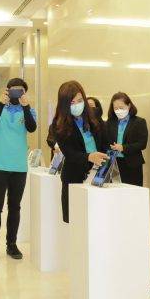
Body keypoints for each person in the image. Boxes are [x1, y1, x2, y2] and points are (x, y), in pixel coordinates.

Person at [0, 77, 37, 261]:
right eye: (13, 90)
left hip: (18, 167)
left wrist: (26, 107)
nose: (16, 93)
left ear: (24, 93)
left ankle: (12, 245)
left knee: (15, 207)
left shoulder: (29, 110)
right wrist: (1, 103)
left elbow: (32, 128)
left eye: (20, 90)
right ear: (7, 91)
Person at [52, 81, 108, 223]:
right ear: (64, 104)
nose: (77, 104)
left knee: (98, 220)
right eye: (72, 102)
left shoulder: (94, 117)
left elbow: (105, 141)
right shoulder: (58, 124)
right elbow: (69, 153)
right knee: (76, 221)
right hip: (74, 177)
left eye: (80, 100)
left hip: (98, 174)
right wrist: (89, 156)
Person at [105, 92, 148, 186]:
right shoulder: (109, 123)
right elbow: (105, 141)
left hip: (132, 164)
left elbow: (142, 144)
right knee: (115, 192)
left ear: (129, 105)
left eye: (121, 107)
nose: (118, 110)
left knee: (132, 192)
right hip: (114, 163)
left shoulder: (139, 122)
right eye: (116, 108)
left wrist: (123, 147)